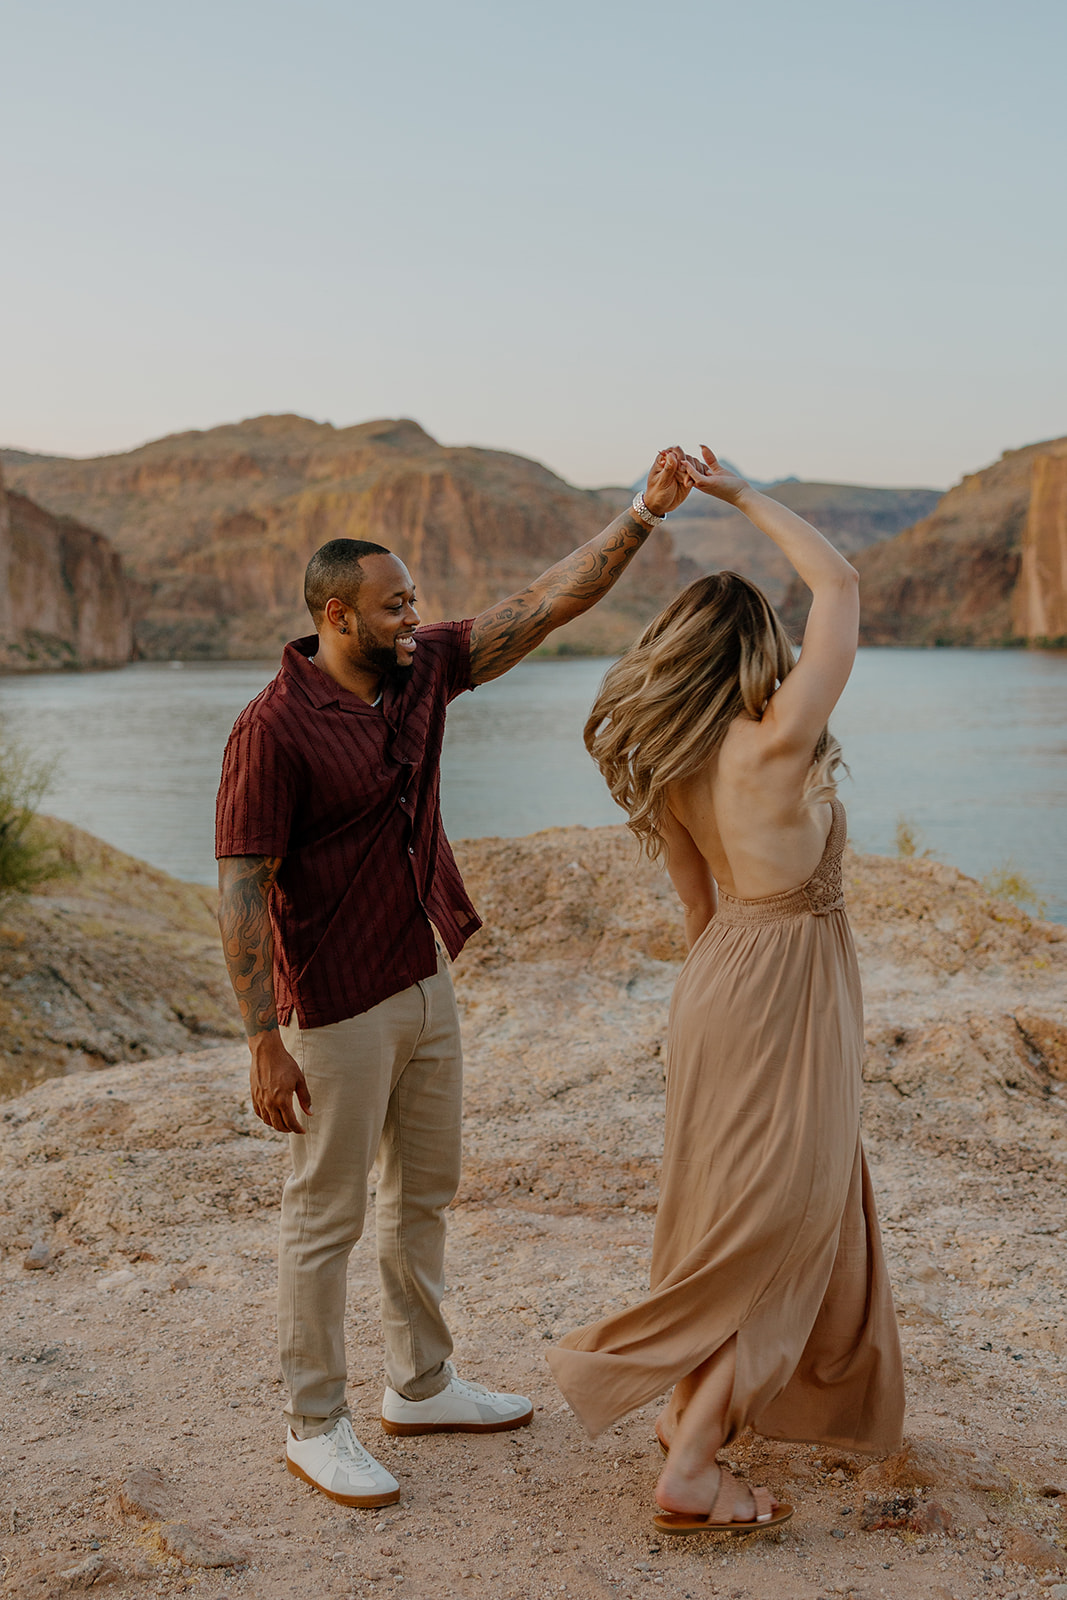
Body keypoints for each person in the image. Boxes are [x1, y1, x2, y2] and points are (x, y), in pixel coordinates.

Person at [214, 449, 693, 1509]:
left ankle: (421, 1384)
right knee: (324, 1215)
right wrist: (261, 1040)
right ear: (336, 617)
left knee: (422, 1192)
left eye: (414, 602)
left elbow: (539, 607)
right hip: (333, 1008)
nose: (412, 617)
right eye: (393, 607)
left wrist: (639, 516)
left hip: (424, 977)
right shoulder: (270, 729)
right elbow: (243, 887)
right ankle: (314, 1422)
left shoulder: (420, 669)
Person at [546, 447, 905, 1536]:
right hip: (787, 991)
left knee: (737, 1216)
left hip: (719, 991)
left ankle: (687, 1413)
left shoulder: (675, 770)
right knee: (784, 1226)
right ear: (757, 650)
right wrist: (742, 494)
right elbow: (839, 584)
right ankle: (696, 1463)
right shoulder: (775, 743)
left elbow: (699, 917)